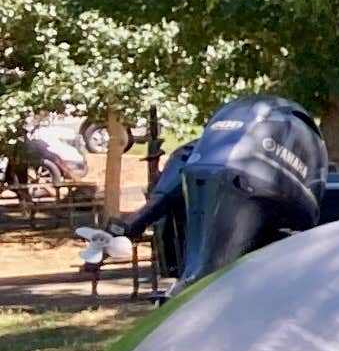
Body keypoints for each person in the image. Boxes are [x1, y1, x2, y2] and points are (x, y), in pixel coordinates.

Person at [115, 95, 327, 284]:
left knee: (203, 280)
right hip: (242, 194)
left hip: (227, 191)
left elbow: (182, 166)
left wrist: (139, 218)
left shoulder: (192, 154)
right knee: (206, 281)